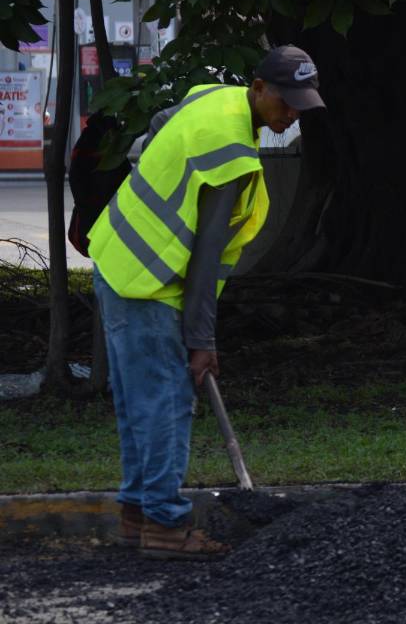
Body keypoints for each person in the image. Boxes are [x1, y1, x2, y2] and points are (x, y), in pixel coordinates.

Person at [88, 45, 325, 559]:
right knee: (168, 403)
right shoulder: (232, 155)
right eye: (286, 103)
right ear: (259, 88)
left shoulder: (213, 98)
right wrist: (202, 342)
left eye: (301, 107)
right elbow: (204, 258)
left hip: (117, 257)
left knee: (138, 403)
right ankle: (166, 527)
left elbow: (158, 120)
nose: (291, 116)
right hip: (149, 283)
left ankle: (137, 514)